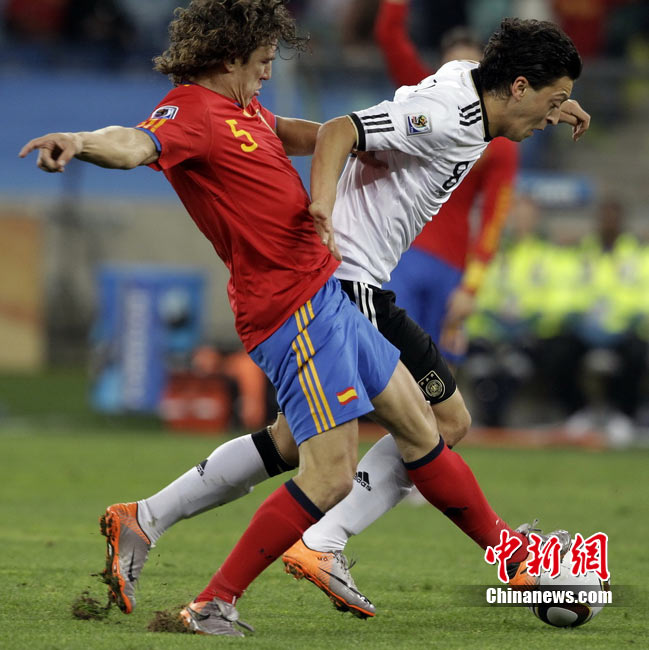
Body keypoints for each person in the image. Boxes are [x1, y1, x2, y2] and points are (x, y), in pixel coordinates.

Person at [20, 4, 587, 637]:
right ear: (229, 56)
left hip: (324, 287)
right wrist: (80, 143)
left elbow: (310, 131)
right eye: (263, 61)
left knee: (414, 428)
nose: (268, 73)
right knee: (334, 473)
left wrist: (388, 137)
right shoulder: (191, 112)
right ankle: (216, 601)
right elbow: (135, 142)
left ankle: (146, 520)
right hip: (293, 303)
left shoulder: (246, 110)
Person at [375, 0, 519, 365]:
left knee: (440, 371)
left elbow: (494, 219)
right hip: (401, 253)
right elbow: (389, 36)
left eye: (470, 69)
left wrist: (471, 286)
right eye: (453, 68)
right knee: (391, 363)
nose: (461, 79)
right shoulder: (421, 99)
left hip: (450, 267)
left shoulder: (500, 140)